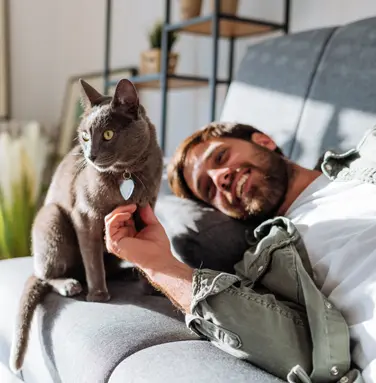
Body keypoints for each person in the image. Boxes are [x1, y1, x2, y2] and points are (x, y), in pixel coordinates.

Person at [104, 122, 376, 383]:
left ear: (264, 141)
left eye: (221, 157)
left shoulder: (369, 153)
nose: (219, 178)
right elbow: (293, 352)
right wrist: (158, 265)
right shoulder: (264, 268)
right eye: (209, 190)